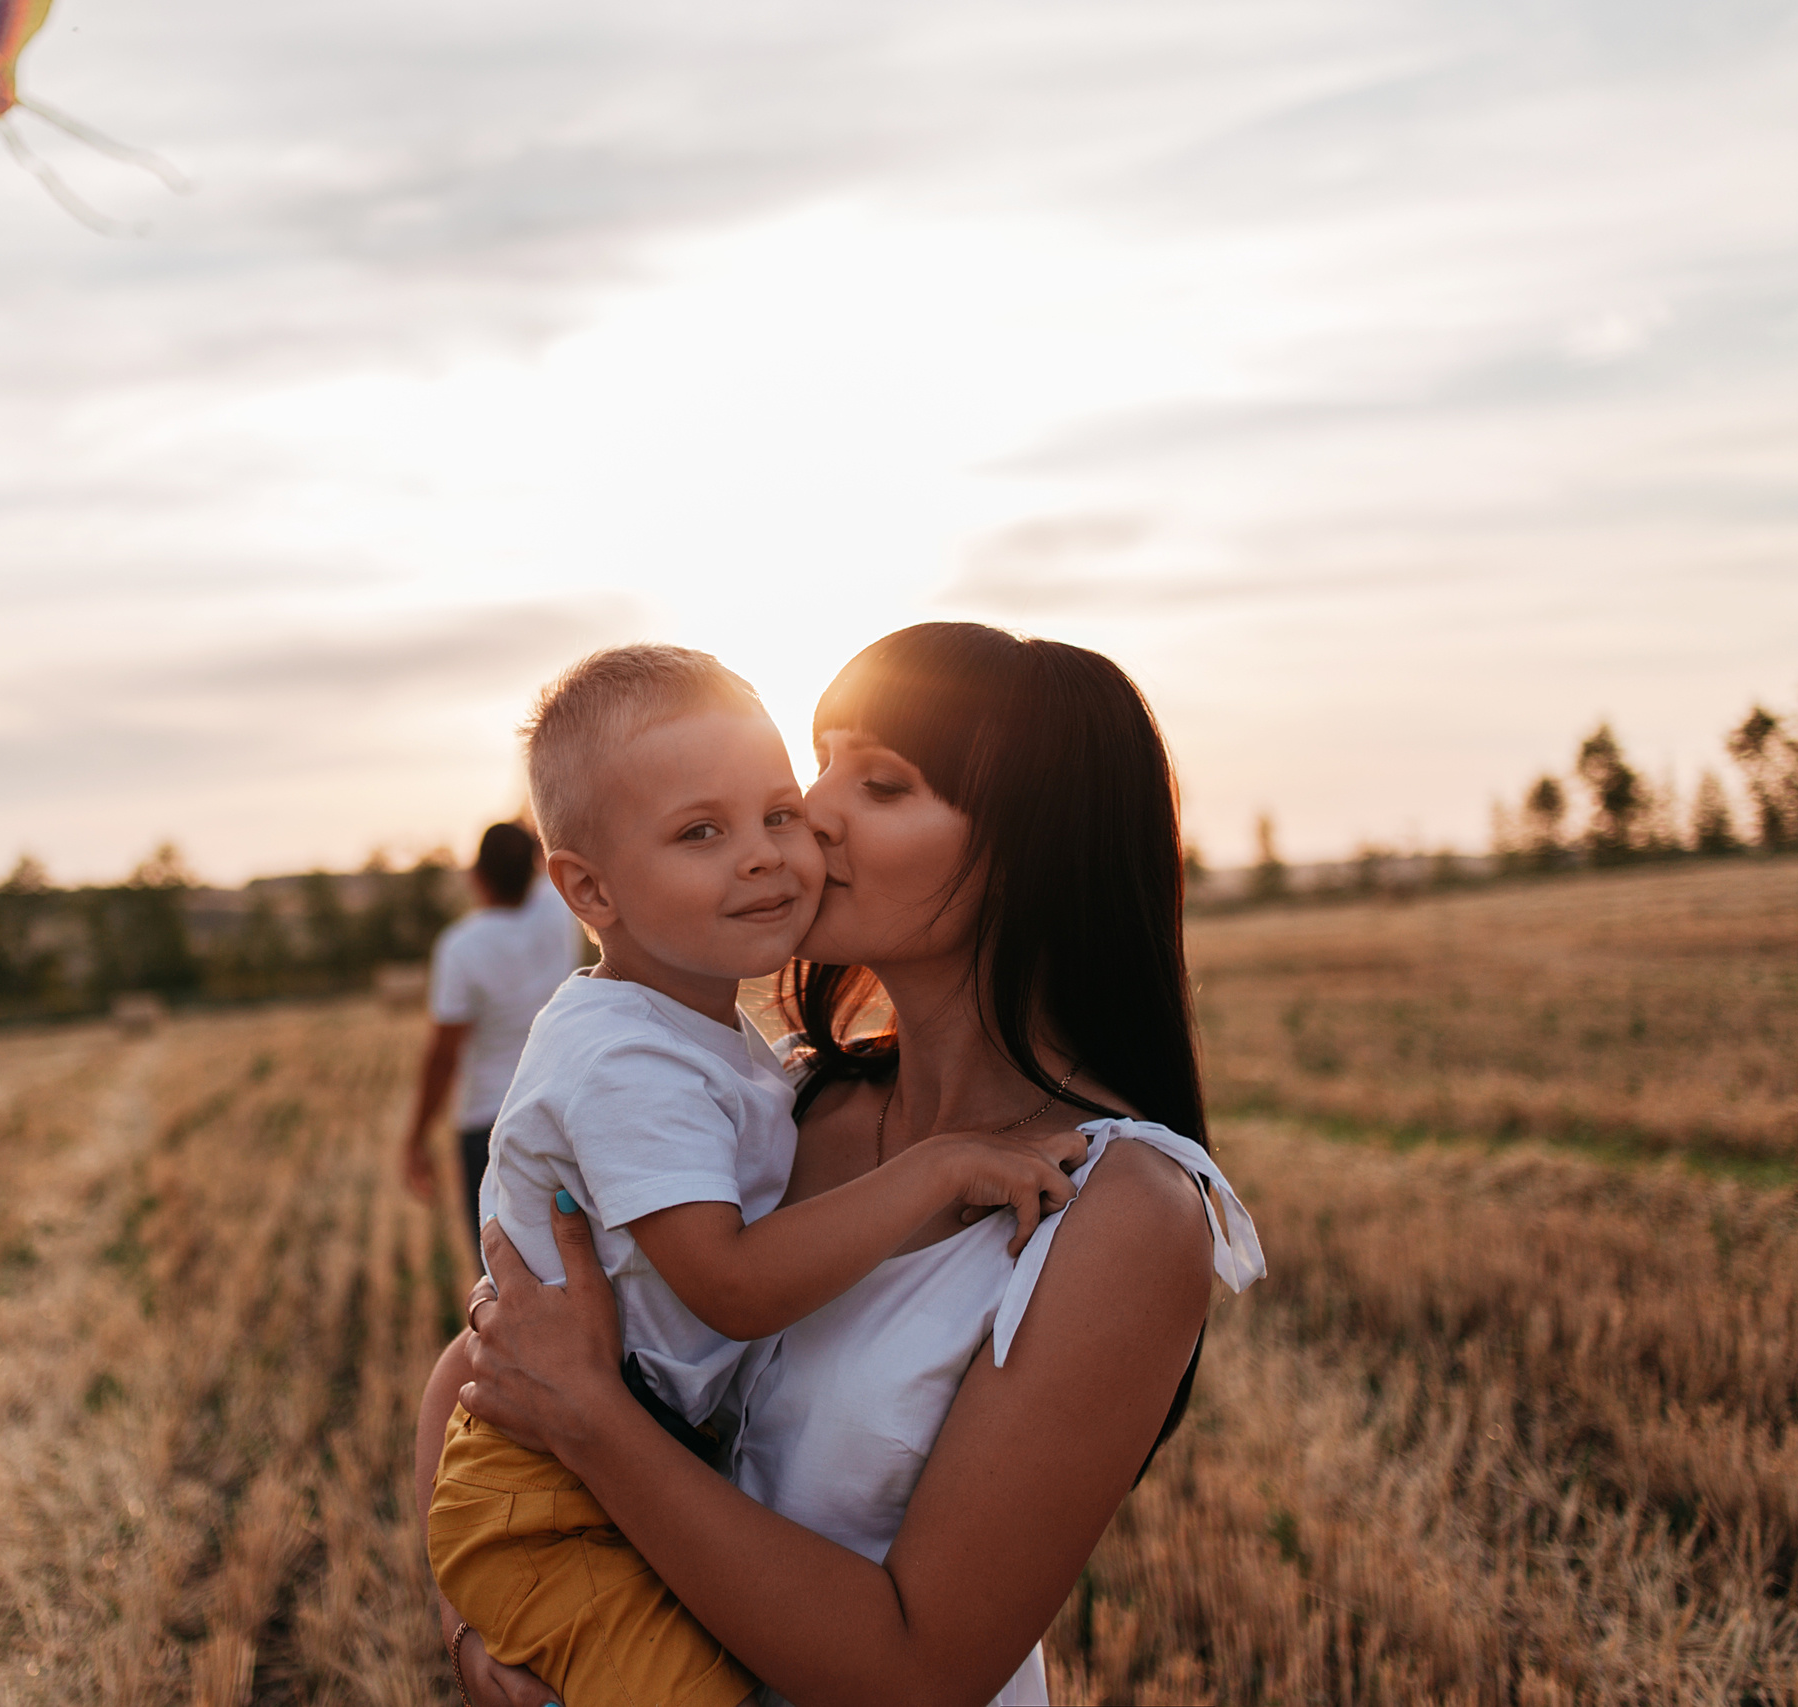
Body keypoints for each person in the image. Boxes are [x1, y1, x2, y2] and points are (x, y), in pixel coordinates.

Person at [414, 623, 1266, 1707]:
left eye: (881, 782)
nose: (810, 813)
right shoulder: (783, 1102)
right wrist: (476, 1636)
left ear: (1029, 851)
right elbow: (489, 1357)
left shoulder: (1121, 1210)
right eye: (819, 763)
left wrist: (596, 1426)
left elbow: (919, 1672)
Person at [401, 822, 587, 1239]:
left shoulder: (461, 947)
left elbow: (444, 1055)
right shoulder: (557, 911)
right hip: (558, 1108)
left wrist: (416, 1138)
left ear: (477, 877)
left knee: (501, 1268)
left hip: (488, 1125)